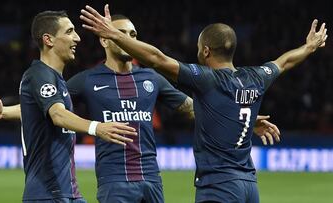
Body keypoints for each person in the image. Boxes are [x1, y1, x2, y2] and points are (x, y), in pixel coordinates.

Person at [0, 11, 280, 203]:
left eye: (134, 35)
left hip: (151, 180)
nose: (130, 39)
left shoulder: (152, 79)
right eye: (123, 34)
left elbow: (192, 107)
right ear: (107, 41)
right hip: (113, 183)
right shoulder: (87, 80)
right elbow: (51, 107)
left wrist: (242, 119)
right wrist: (6, 111)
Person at [79, 4, 327, 203]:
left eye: (198, 48)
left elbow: (156, 58)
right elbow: (284, 62)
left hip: (218, 187)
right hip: (250, 186)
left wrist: (113, 34)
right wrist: (309, 46)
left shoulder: (206, 79)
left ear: (206, 51)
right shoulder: (256, 76)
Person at [0, 10, 138, 203]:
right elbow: (57, 115)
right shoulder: (39, 74)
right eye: (70, 31)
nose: (77, 38)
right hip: (47, 194)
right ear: (49, 40)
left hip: (67, 193)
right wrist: (97, 127)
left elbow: (39, 109)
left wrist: (4, 112)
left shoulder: (56, 80)